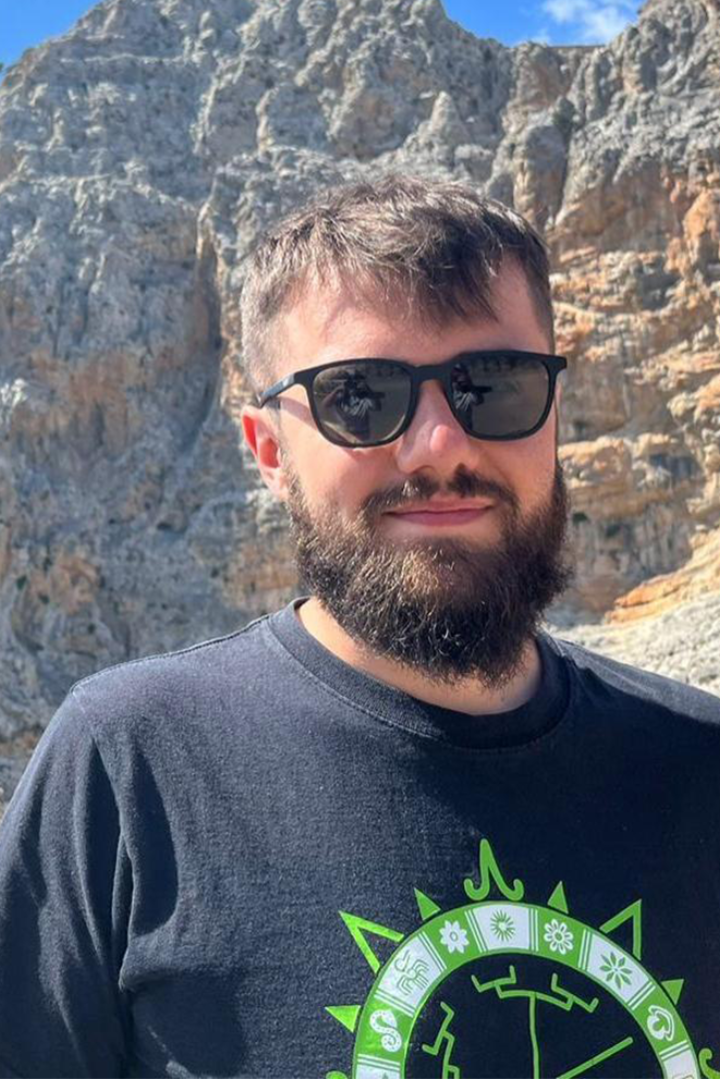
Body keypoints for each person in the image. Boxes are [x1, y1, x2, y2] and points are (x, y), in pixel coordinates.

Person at [0, 175, 718, 1079]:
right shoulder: (127, 767)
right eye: (361, 397)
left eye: (491, 385)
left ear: (555, 411)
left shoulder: (703, 770)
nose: (439, 444)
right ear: (269, 451)